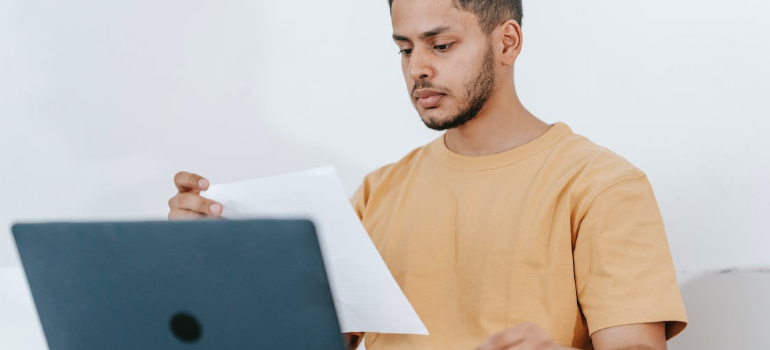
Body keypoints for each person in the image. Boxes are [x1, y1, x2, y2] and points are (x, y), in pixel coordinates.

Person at [167, 0, 688, 349]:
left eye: (441, 46)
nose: (418, 68)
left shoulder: (602, 185)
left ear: (507, 42)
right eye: (404, 48)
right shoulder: (379, 192)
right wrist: (213, 264)